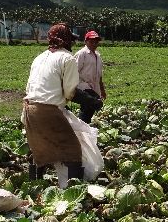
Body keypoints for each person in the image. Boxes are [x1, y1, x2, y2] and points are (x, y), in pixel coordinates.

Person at [22, 23, 84, 188]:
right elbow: (70, 91)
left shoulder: (40, 57)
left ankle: (34, 189)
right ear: (66, 40)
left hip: (29, 108)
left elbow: (30, 87)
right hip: (47, 110)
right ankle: (74, 192)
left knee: (39, 150)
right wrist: (90, 100)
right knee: (73, 152)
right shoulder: (67, 58)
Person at [73, 30, 106, 123]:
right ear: (86, 41)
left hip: (94, 85)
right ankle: (82, 126)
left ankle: (82, 126)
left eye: (96, 41)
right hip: (83, 85)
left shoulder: (97, 55)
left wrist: (102, 89)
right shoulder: (82, 54)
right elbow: (74, 71)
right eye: (91, 41)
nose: (94, 43)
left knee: (88, 108)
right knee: (94, 102)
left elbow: (99, 74)